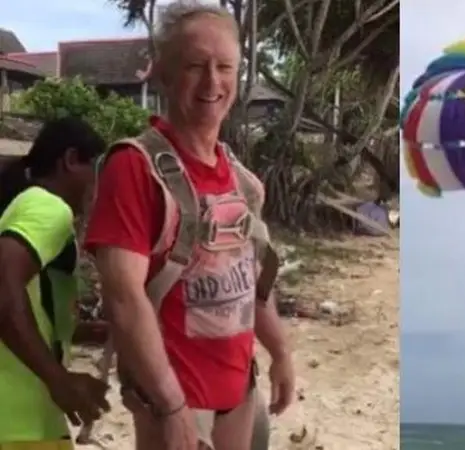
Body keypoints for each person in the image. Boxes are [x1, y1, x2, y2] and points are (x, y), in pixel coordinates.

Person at [84, 3, 294, 450]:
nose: (212, 82)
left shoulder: (239, 177)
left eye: (224, 67)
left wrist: (279, 351)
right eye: (195, 66)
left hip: (238, 395)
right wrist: (171, 406)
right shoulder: (135, 168)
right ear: (162, 73)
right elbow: (123, 297)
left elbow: (250, 278)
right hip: (175, 408)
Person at [0, 117, 110, 448]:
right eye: (98, 171)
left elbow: (31, 310)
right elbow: (3, 288)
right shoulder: (49, 208)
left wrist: (97, 330)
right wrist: (58, 379)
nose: (101, 186)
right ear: (71, 160)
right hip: (18, 421)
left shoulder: (21, 204)